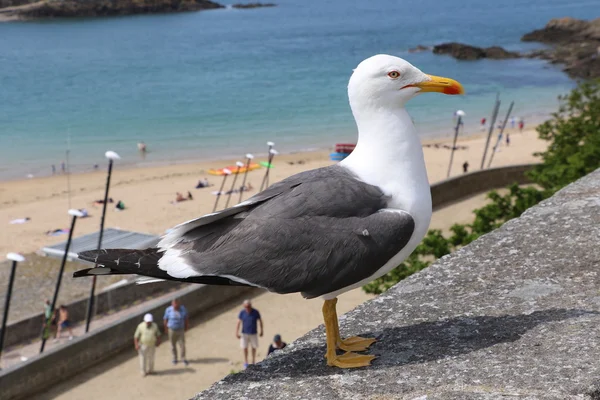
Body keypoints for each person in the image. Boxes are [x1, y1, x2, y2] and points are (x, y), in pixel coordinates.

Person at [236, 299, 263, 368]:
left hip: (253, 333)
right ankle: (246, 362)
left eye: (248, 306)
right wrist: (237, 332)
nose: (247, 308)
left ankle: (253, 361)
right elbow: (238, 322)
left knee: (254, 347)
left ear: (250, 305)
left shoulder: (255, 312)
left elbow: (260, 321)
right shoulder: (242, 313)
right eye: (245, 306)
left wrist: (261, 330)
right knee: (245, 348)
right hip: (244, 333)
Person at [163, 299, 189, 365]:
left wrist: (186, 327)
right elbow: (165, 319)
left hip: (180, 329)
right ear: (172, 304)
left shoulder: (183, 309)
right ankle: (175, 358)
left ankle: (183, 358)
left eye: (177, 305)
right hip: (172, 330)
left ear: (179, 304)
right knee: (173, 345)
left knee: (182, 345)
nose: (176, 306)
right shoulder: (168, 310)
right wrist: (166, 329)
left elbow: (186, 318)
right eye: (174, 305)